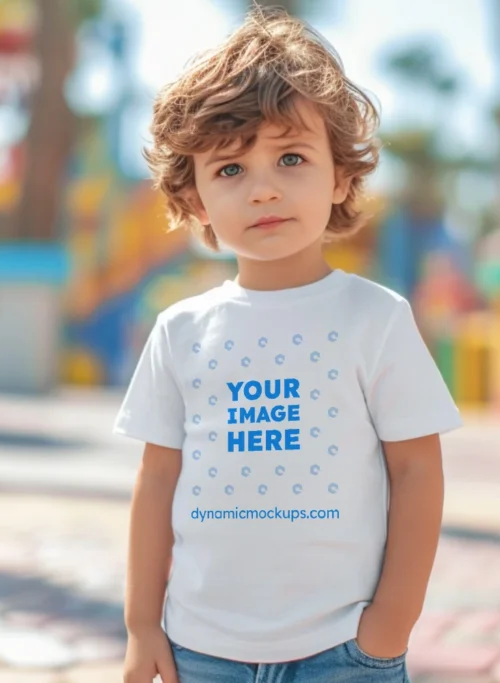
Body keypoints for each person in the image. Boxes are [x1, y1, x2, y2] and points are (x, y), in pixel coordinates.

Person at [114, 7, 462, 682]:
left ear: (339, 176)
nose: (264, 186)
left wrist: (391, 623)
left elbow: (418, 471)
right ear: (195, 200)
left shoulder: (377, 317)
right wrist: (141, 623)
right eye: (230, 170)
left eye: (292, 157)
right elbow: (156, 481)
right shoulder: (179, 332)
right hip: (200, 648)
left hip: (346, 648)